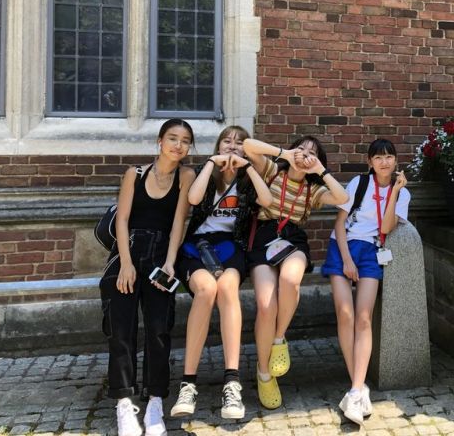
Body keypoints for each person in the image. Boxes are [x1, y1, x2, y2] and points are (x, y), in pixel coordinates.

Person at [100, 119, 196, 436]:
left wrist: (170, 263)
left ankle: (155, 402)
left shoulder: (186, 177)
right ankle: (124, 403)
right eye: (173, 138)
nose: (178, 145)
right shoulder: (135, 174)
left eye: (185, 140)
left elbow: (178, 223)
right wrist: (125, 264)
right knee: (121, 330)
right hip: (127, 253)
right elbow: (122, 219)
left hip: (160, 257)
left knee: (159, 330)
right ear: (160, 141)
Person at [170, 126, 273, 421]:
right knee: (206, 290)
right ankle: (188, 384)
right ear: (218, 146)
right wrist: (211, 164)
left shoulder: (247, 180)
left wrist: (248, 167)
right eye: (226, 141)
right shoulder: (205, 173)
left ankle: (232, 382)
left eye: (239, 143)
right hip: (197, 246)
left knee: (227, 288)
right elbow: (193, 199)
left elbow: (266, 201)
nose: (232, 146)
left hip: (230, 247)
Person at [242, 136, 349, 410]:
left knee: (290, 280)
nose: (304, 154)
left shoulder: (313, 190)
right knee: (266, 305)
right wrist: (284, 153)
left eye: (312, 153)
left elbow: (342, 197)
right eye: (301, 148)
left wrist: (320, 171)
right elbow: (248, 145)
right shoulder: (271, 171)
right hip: (264, 236)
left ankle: (279, 338)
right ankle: (264, 373)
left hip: (293, 239)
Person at [321, 139, 410, 426]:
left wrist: (394, 192)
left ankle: (356, 390)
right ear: (370, 161)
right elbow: (339, 223)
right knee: (345, 314)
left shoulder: (403, 193)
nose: (385, 162)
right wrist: (346, 260)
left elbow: (386, 227)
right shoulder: (359, 183)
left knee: (363, 318)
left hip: (372, 251)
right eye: (378, 157)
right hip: (343, 248)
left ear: (395, 160)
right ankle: (358, 388)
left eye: (389, 157)